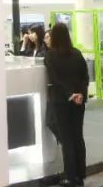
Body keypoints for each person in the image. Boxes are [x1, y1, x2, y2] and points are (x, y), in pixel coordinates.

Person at [45, 22, 87, 187]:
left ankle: (70, 176)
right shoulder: (77, 53)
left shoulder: (50, 56)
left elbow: (55, 80)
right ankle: (80, 176)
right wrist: (80, 93)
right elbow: (85, 76)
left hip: (61, 101)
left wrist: (70, 94)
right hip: (78, 102)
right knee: (78, 137)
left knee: (67, 138)